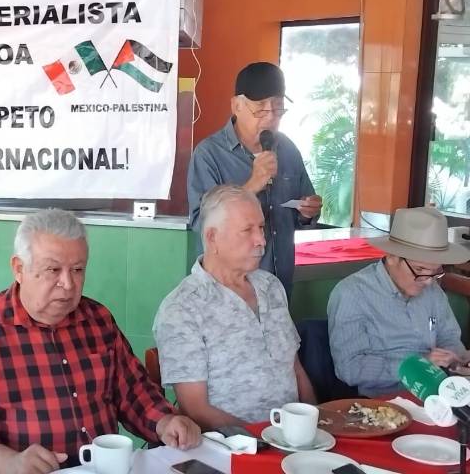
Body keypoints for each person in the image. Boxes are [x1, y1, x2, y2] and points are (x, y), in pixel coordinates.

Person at [0, 209, 200, 474]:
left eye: (78, 270)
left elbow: (132, 390)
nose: (69, 284)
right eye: (53, 269)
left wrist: (165, 421)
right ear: (19, 268)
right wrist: (8, 462)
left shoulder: (97, 319)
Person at [153, 185, 316, 429]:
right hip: (232, 444)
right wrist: (261, 441)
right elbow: (196, 410)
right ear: (212, 238)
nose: (261, 240)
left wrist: (313, 423)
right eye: (247, 230)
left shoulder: (271, 286)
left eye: (261, 228)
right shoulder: (183, 308)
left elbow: (295, 369)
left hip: (292, 437)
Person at [187, 61, 322, 298]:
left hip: (279, 286)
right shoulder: (209, 154)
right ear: (237, 106)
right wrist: (251, 185)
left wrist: (307, 212)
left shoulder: (288, 150)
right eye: (260, 109)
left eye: (277, 109)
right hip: (226, 289)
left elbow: (300, 215)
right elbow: (202, 224)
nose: (270, 118)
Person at [328, 206, 470, 397]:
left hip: (442, 391)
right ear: (392, 257)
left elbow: (449, 337)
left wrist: (455, 360)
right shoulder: (352, 293)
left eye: (435, 272)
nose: (428, 281)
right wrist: (417, 365)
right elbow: (349, 368)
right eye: (419, 270)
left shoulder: (432, 289)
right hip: (386, 401)